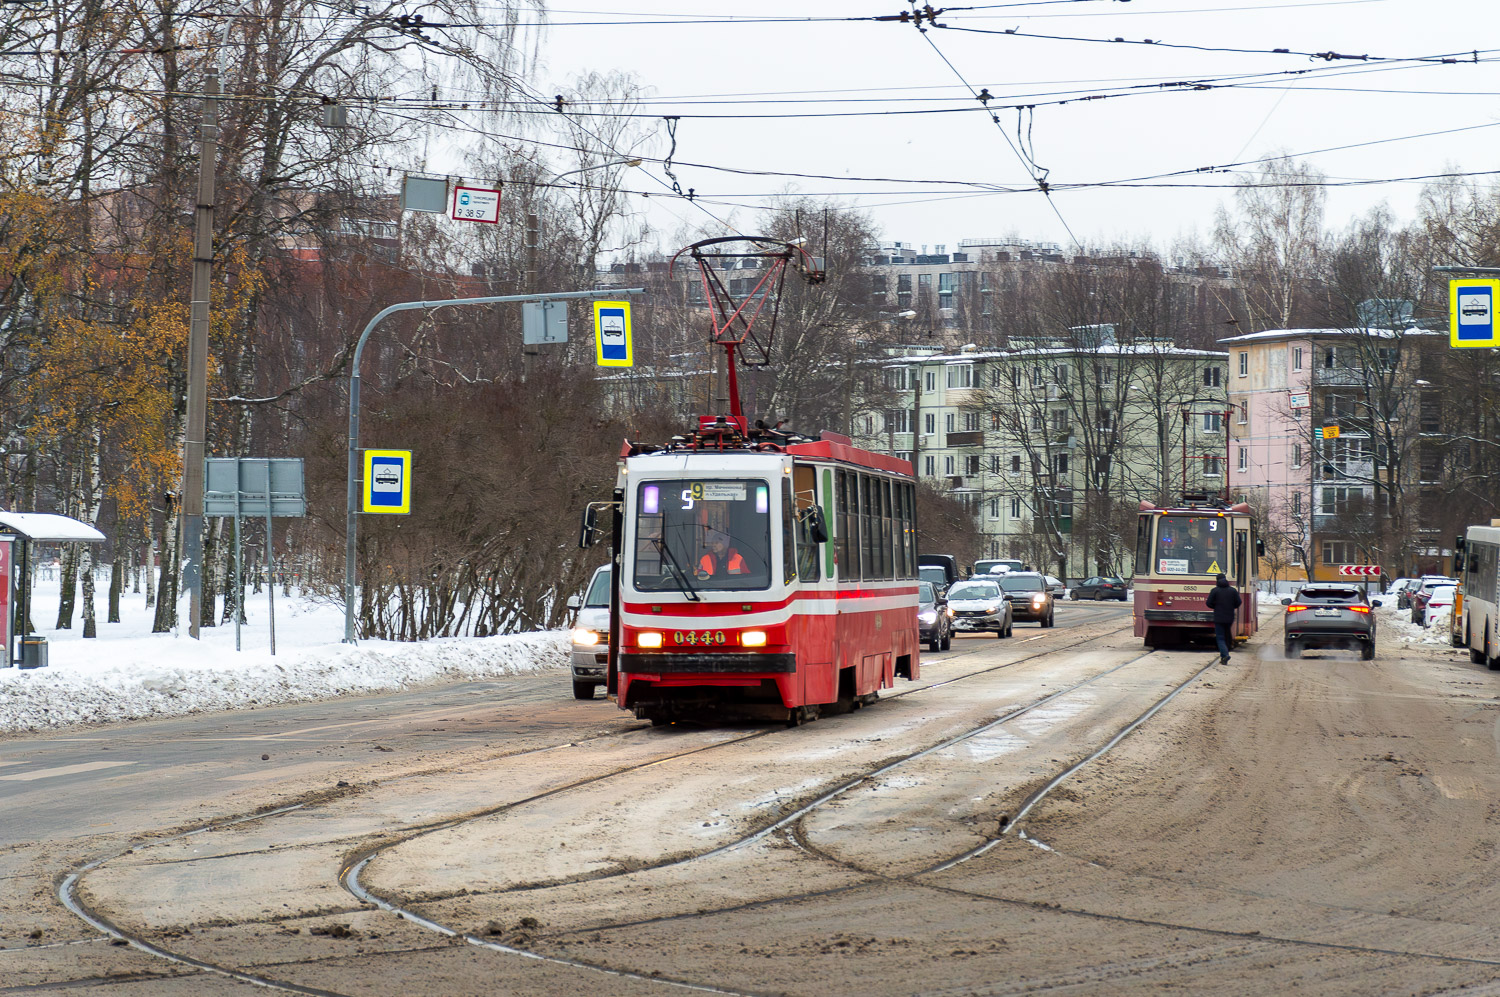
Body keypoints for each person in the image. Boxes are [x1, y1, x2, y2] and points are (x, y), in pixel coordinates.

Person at [1205, 571, 1242, 664]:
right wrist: (1232, 606)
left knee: (1220, 637)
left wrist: (1216, 606)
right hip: (1229, 618)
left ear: (1217, 580)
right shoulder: (1232, 590)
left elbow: (1208, 603)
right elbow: (1239, 602)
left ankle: (1225, 655)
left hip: (1219, 617)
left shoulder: (1215, 591)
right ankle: (1225, 654)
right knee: (1227, 635)